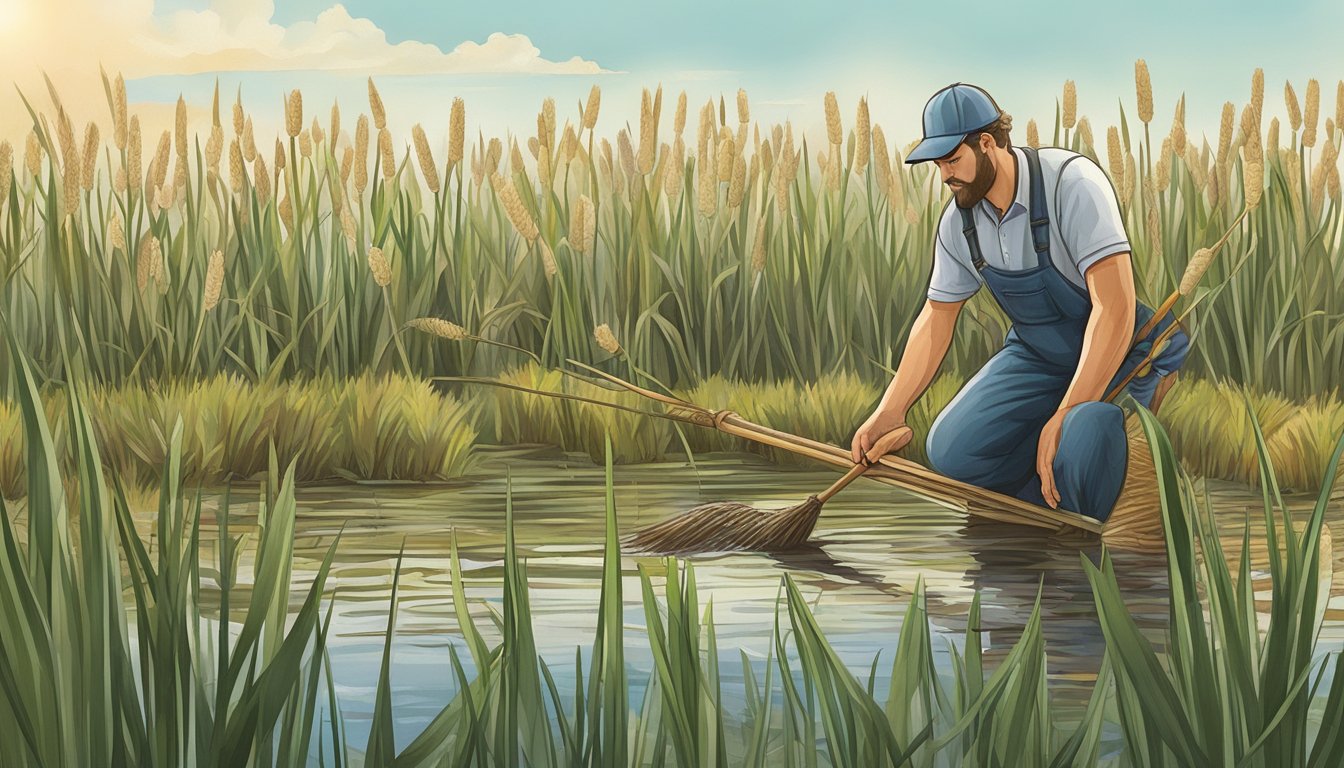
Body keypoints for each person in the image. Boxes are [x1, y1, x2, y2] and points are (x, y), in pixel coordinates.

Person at [849, 83, 1188, 522]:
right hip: (1039, 355)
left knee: (1079, 438)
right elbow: (937, 317)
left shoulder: (1071, 182)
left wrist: (1066, 412)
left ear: (987, 143)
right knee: (950, 450)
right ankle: (1035, 508)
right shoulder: (959, 223)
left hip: (1125, 349)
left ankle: (1082, 529)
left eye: (953, 160)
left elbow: (1115, 308)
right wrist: (889, 411)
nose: (945, 175)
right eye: (938, 164)